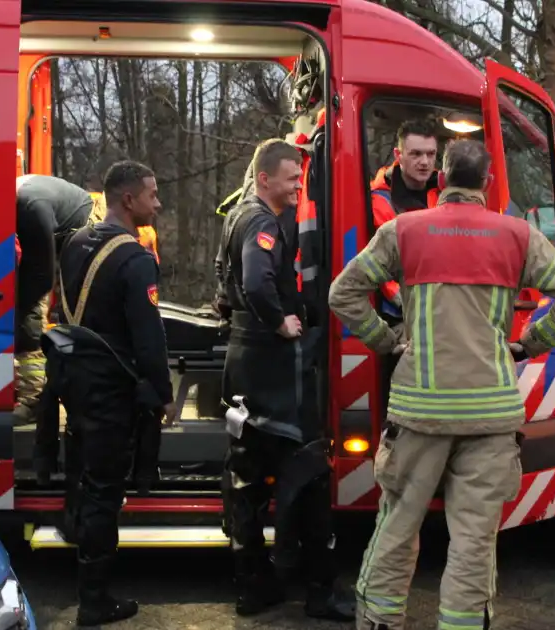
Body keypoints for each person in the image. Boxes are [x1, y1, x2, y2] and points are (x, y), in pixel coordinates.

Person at [328, 139, 555, 630]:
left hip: (419, 412)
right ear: (488, 183)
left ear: (441, 177)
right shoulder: (517, 236)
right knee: (474, 541)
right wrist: (530, 344)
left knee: (397, 527)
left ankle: (381, 623)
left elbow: (342, 292)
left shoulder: (403, 231)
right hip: (490, 416)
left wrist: (386, 341)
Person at [216, 138, 355, 621]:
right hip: (271, 365)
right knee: (311, 471)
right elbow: (256, 282)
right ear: (264, 179)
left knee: (248, 478)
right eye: (292, 177)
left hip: (244, 362)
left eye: (301, 176)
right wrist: (280, 321)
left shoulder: (237, 213)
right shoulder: (261, 222)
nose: (299, 184)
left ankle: (253, 589)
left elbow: (224, 278)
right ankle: (320, 591)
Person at [47, 160, 177, 626]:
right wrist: (162, 393)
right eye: (152, 194)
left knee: (83, 479)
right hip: (109, 391)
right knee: (105, 491)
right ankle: (94, 601)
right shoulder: (135, 257)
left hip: (74, 382)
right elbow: (148, 336)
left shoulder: (76, 242)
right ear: (128, 199)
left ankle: (83, 576)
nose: (157, 203)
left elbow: (62, 311)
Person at [14, 174, 96, 425]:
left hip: (85, 225)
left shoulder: (30, 208)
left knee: (39, 315)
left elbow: (42, 276)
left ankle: (36, 400)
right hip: (58, 226)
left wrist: (18, 312)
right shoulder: (16, 203)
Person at [370, 118, 443, 315]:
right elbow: (379, 266)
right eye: (416, 154)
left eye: (431, 154)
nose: (425, 162)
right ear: (398, 155)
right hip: (405, 310)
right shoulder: (380, 201)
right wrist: (405, 303)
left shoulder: (444, 191)